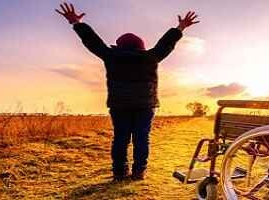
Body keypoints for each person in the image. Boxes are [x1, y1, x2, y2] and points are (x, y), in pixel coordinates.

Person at [55, 3, 199, 181]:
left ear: (119, 45)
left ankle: (119, 173)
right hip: (145, 106)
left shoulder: (111, 56)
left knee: (120, 138)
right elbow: (166, 43)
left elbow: (92, 41)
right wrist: (181, 27)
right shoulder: (151, 57)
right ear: (141, 46)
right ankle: (139, 172)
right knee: (141, 138)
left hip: (119, 105)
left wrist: (76, 23)